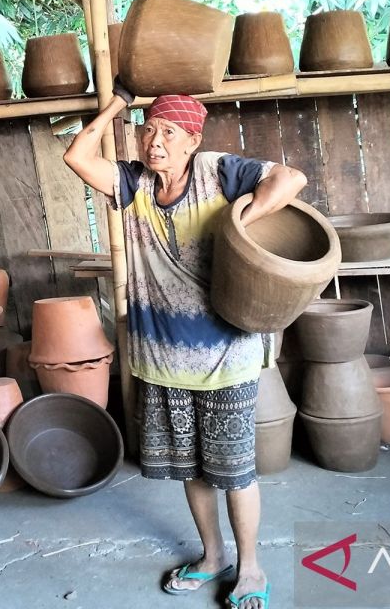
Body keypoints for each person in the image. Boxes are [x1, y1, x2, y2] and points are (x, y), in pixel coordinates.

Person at [63, 90, 306, 609]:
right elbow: (77, 156)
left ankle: (251, 566)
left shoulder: (218, 172)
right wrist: (116, 106)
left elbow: (290, 179)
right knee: (190, 467)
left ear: (193, 141)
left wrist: (242, 220)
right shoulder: (133, 185)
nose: (154, 142)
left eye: (168, 133)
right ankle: (213, 556)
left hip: (225, 356)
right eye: (148, 130)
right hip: (164, 358)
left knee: (234, 470)